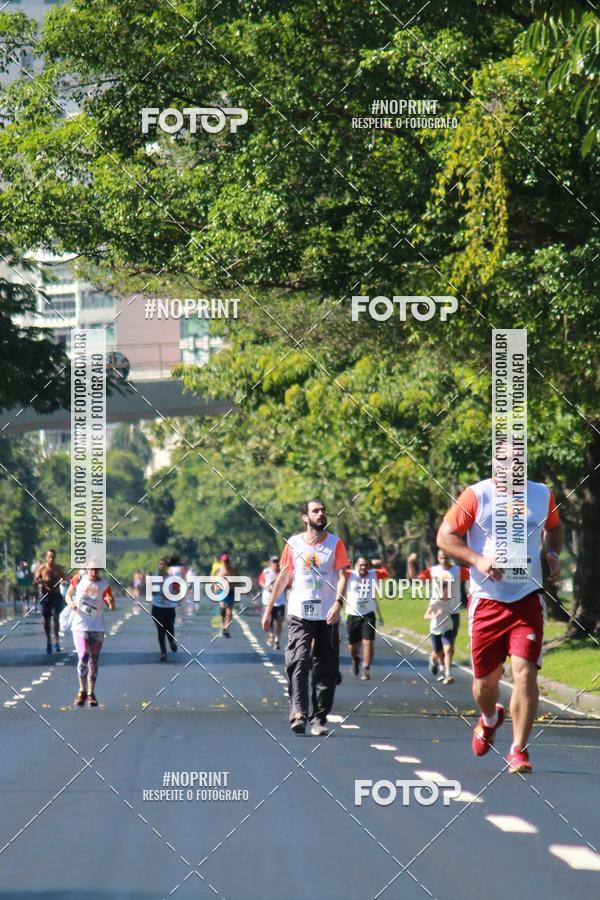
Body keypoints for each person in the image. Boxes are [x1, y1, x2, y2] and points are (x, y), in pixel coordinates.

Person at [437, 462, 563, 774]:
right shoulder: (476, 495)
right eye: (501, 462)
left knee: (525, 674)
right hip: (488, 601)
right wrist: (477, 559)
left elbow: (555, 527)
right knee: (485, 684)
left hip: (527, 599)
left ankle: (518, 749)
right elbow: (445, 537)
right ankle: (490, 718)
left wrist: (553, 555)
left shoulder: (541, 494)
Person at [262, 499, 349, 736]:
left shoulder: (335, 544)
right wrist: (269, 608)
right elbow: (283, 577)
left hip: (327, 614)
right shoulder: (293, 544)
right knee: (298, 660)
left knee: (326, 669)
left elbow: (342, 575)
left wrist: (339, 603)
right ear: (305, 516)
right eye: (316, 511)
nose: (321, 514)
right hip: (300, 612)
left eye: (323, 511)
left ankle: (319, 719)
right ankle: (298, 711)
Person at [408, 549, 469, 681]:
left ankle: (445, 670)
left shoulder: (458, 570)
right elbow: (415, 579)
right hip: (437, 611)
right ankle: (440, 664)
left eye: (446, 558)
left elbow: (475, 576)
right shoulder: (433, 570)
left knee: (450, 646)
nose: (444, 560)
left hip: (453, 611)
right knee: (441, 647)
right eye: (441, 558)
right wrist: (410, 563)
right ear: (438, 558)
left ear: (450, 557)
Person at [65, 562, 115, 707]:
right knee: (83, 657)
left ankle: (91, 693)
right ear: (86, 569)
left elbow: (111, 606)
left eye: (96, 569)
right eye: (91, 569)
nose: (93, 571)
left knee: (93, 660)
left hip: (97, 627)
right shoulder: (79, 578)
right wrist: (71, 604)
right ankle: (82, 690)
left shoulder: (104, 585)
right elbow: (68, 595)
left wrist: (110, 602)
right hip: (80, 626)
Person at [345, 557, 384, 680]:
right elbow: (336, 572)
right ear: (356, 566)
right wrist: (344, 564)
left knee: (368, 642)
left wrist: (382, 563)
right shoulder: (349, 575)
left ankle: (366, 669)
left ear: (369, 566)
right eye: (361, 565)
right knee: (353, 645)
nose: (363, 567)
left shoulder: (374, 574)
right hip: (352, 614)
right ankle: (355, 659)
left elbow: (391, 573)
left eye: (366, 565)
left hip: (368, 614)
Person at [34, 549, 66, 654]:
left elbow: (65, 578)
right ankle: (49, 641)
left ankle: (56, 641)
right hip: (46, 596)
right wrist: (41, 582)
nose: (51, 559)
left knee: (56, 618)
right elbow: (35, 581)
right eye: (50, 557)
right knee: (47, 620)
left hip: (56, 595)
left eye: (53, 557)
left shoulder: (58, 568)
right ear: (46, 557)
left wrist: (63, 580)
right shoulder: (42, 568)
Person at [149, 557, 178, 661]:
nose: (161, 566)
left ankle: (171, 641)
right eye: (160, 564)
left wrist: (169, 595)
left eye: (163, 564)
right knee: (161, 630)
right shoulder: (153, 577)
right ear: (158, 566)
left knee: (169, 627)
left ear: (166, 567)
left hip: (169, 607)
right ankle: (163, 652)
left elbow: (177, 591)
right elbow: (151, 592)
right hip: (157, 607)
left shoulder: (172, 578)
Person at [259, 556, 286, 649]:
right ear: (270, 563)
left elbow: (288, 583)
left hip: (280, 601)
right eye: (274, 562)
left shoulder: (283, 572)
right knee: (268, 621)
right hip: (268, 600)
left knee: (279, 621)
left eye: (277, 562)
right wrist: (266, 587)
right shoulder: (266, 572)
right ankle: (271, 635)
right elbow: (261, 581)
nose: (275, 564)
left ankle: (277, 640)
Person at [216, 553, 238, 637]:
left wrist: (231, 584)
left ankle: (227, 629)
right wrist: (216, 587)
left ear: (228, 561)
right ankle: (222, 625)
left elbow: (236, 581)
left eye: (226, 561)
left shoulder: (233, 570)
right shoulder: (219, 570)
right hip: (221, 591)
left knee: (229, 611)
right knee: (222, 609)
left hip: (230, 591)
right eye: (224, 561)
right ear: (221, 561)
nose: (225, 563)